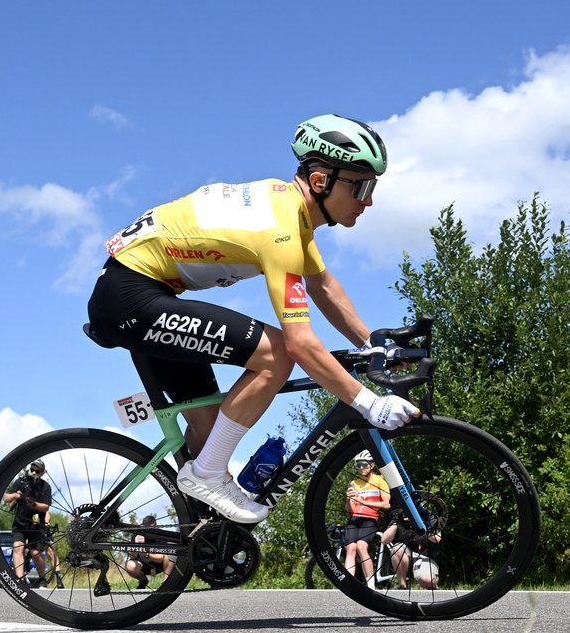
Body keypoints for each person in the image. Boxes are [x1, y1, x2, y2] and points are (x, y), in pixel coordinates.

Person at [87, 114, 420, 524]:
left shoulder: (289, 213)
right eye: (361, 186)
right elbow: (299, 343)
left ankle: (196, 533)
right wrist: (369, 404)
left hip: (143, 294)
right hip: (131, 298)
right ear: (320, 181)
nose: (368, 200)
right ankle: (205, 476)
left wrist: (373, 344)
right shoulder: (279, 227)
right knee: (277, 352)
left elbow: (324, 287)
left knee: (209, 438)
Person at [344, 451, 390, 588]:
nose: (361, 468)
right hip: (355, 518)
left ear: (372, 465)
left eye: (364, 464)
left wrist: (365, 503)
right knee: (350, 548)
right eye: (358, 465)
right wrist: (348, 499)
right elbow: (349, 510)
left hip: (370, 519)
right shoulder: (354, 483)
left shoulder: (379, 480)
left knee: (361, 546)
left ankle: (371, 585)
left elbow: (387, 504)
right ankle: (348, 584)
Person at [3, 459, 51, 587]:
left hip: (36, 525)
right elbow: (6, 498)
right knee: (18, 547)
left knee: (36, 553)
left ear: (42, 473)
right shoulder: (20, 482)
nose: (34, 472)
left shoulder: (45, 486)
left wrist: (33, 503)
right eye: (32, 469)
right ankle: (20, 579)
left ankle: (42, 579)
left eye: (38, 470)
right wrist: (15, 496)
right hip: (20, 523)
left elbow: (46, 507)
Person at [380, 510, 442, 590]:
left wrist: (419, 524)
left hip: (424, 558)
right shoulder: (400, 515)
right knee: (397, 548)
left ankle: (433, 586)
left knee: (427, 581)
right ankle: (403, 586)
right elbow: (384, 540)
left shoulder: (428, 515)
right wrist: (397, 523)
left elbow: (437, 539)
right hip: (405, 559)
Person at [124, 515, 174, 589]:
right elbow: (132, 557)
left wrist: (146, 554)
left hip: (159, 565)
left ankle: (165, 584)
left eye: (152, 528)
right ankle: (143, 580)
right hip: (143, 566)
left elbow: (161, 558)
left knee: (170, 553)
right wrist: (135, 547)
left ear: (155, 525)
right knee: (129, 565)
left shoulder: (160, 535)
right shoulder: (137, 535)